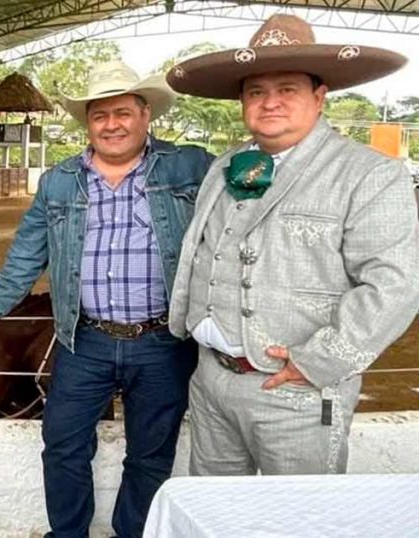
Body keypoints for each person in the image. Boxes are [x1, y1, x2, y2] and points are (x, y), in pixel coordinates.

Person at [0, 61, 213, 538]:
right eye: (100, 116)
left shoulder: (189, 167)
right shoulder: (60, 182)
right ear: (88, 123)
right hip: (84, 339)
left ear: (145, 115)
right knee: (62, 443)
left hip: (163, 341)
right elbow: (27, 252)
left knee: (152, 452)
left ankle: (131, 532)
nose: (111, 125)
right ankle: (69, 533)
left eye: (122, 113)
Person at [164, 14, 419, 476]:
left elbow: (395, 285)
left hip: (295, 389)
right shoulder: (225, 167)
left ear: (319, 98)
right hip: (210, 380)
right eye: (256, 91)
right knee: (218, 515)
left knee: (300, 519)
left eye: (288, 89)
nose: (270, 103)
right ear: (242, 100)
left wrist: (320, 363)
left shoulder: (368, 174)